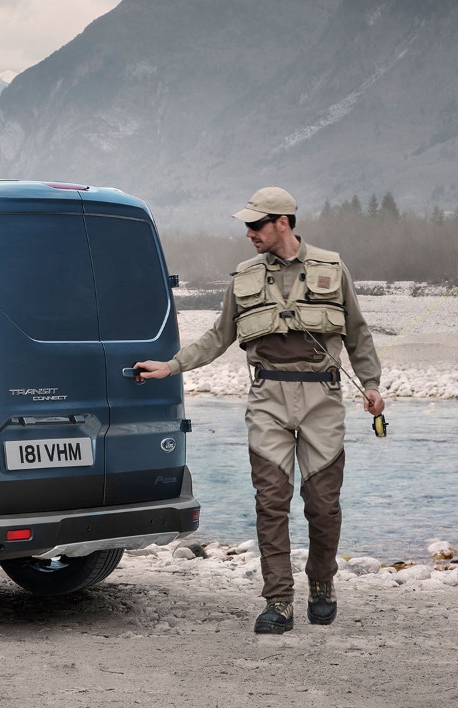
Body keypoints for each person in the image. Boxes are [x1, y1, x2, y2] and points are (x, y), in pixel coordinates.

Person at [134, 187, 385, 634]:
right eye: (247, 225)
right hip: (267, 397)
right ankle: (279, 602)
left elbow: (358, 334)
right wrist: (170, 366)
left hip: (323, 401)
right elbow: (217, 336)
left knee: (323, 506)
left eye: (256, 225)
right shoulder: (243, 276)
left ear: (282, 223)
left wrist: (371, 385)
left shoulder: (333, 266)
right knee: (271, 502)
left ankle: (322, 583)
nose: (248, 232)